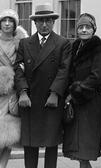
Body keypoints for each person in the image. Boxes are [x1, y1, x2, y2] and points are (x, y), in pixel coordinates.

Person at [14, 3, 71, 168]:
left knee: (51, 145)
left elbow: (64, 70)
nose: (44, 24)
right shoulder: (25, 43)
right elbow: (18, 70)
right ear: (34, 23)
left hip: (51, 101)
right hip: (30, 101)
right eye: (40, 21)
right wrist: (23, 92)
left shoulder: (62, 43)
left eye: (48, 20)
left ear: (53, 22)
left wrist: (55, 93)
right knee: (30, 146)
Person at [63, 13, 101, 168]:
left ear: (93, 29)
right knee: (78, 150)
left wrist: (75, 91)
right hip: (77, 101)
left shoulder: (99, 49)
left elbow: (96, 77)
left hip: (90, 103)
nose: (83, 30)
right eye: (80, 27)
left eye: (87, 27)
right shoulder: (75, 47)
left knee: (84, 149)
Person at [0, 9, 28, 168]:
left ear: (15, 24)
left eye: (11, 20)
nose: (7, 24)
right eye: (4, 20)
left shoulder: (21, 43)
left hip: (12, 94)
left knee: (8, 136)